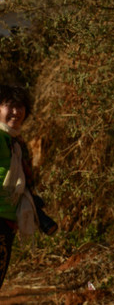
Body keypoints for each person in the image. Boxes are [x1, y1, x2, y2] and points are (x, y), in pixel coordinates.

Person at [0, 84, 58, 288]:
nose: (16, 112)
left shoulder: (16, 143)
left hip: (7, 221)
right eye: (10, 106)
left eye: (20, 106)